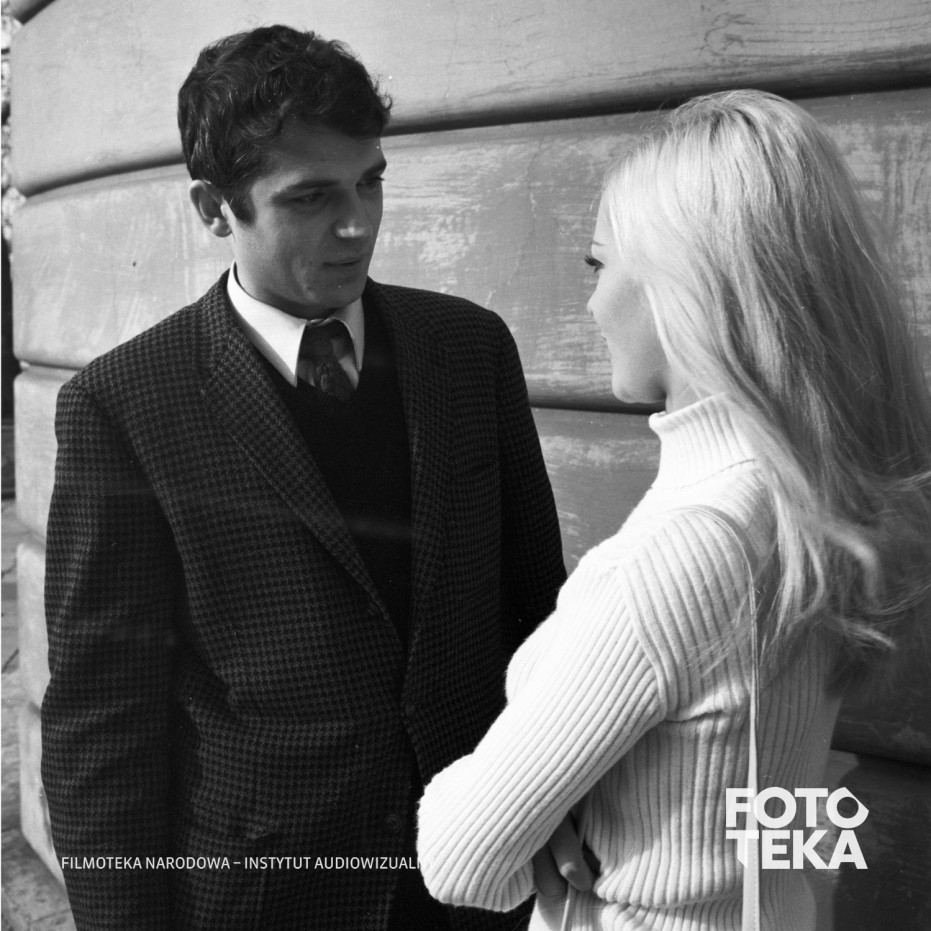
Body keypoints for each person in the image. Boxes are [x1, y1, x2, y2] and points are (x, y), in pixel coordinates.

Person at [40, 24, 566, 931]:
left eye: (370, 181)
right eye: (312, 197)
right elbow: (102, 720)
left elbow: (537, 613)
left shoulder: (469, 349)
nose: (357, 224)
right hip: (269, 895)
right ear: (215, 209)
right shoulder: (123, 404)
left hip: (478, 877)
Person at [418, 89, 931, 929]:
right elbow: (783, 795)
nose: (590, 304)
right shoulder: (812, 496)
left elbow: (458, 858)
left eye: (597, 264)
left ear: (681, 282)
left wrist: (535, 816)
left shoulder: (680, 552)